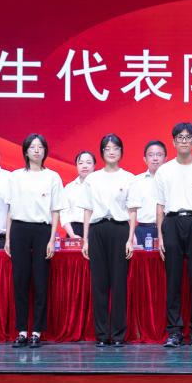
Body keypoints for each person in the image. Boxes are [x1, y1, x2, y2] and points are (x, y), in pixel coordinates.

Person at [155, 122, 192, 348]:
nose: (184, 141)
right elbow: (160, 206)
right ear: (173, 141)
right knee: (173, 280)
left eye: (188, 137)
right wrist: (160, 236)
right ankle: (174, 331)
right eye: (180, 137)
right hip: (171, 223)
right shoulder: (164, 170)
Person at [3, 133, 67, 348]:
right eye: (32, 147)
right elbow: (10, 209)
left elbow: (56, 210)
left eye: (40, 147)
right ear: (26, 151)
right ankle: (22, 331)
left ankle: (37, 331)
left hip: (42, 231)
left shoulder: (53, 177)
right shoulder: (15, 177)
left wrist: (52, 239)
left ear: (45, 151)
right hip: (19, 229)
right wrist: (8, 238)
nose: (37, 150)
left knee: (40, 282)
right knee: (20, 281)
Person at [81, 134, 135, 347]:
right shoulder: (92, 179)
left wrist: (130, 239)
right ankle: (102, 335)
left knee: (119, 284)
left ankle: (118, 335)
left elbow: (132, 212)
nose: (112, 152)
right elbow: (87, 210)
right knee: (99, 284)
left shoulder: (129, 177)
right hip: (97, 230)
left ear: (121, 152)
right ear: (102, 152)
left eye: (116, 148)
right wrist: (86, 240)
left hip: (120, 230)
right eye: (107, 148)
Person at [127, 140, 166, 248]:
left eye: (159, 155)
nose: (155, 158)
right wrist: (132, 235)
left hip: (167, 229)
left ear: (165, 159)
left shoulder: (172, 181)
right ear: (145, 159)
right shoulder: (136, 181)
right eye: (151, 155)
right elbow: (129, 209)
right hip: (142, 230)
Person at [61, 151, 96, 239]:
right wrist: (72, 234)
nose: (84, 166)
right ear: (76, 166)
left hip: (96, 229)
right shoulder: (69, 188)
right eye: (80, 163)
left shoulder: (100, 186)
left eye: (88, 162)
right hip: (74, 230)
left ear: (94, 166)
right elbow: (64, 213)